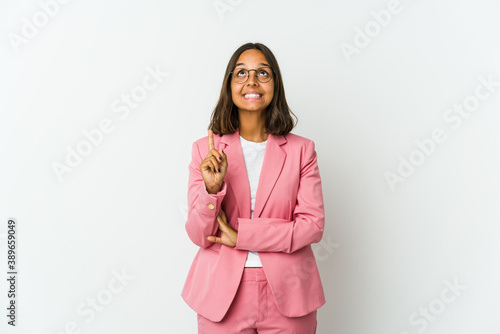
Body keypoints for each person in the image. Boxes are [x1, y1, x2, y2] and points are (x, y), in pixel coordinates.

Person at [181, 42, 326, 333]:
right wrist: (211, 190)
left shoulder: (302, 150)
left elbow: (312, 226)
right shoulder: (204, 151)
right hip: (221, 295)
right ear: (229, 84)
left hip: (290, 292)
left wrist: (243, 236)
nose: (251, 81)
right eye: (242, 73)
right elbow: (200, 235)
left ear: (275, 84)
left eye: (262, 73)